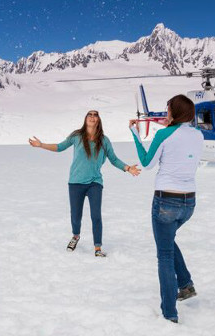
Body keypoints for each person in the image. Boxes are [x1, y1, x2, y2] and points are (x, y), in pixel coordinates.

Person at [130, 95, 203, 324]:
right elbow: (180, 143)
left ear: (174, 112)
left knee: (164, 254)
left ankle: (169, 312)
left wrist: (134, 135)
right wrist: (168, 129)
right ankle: (186, 285)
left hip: (165, 201)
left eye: (167, 108)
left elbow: (147, 163)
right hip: (188, 202)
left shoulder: (163, 134)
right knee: (168, 242)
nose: (165, 112)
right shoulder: (198, 135)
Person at [29, 110, 141, 257]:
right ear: (85, 118)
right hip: (75, 182)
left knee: (96, 215)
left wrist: (127, 168)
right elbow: (60, 147)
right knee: (76, 215)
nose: (92, 117)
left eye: (95, 115)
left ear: (98, 120)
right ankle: (75, 236)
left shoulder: (104, 140)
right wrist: (41, 145)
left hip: (95, 182)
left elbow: (113, 159)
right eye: (90, 114)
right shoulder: (76, 136)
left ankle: (97, 248)